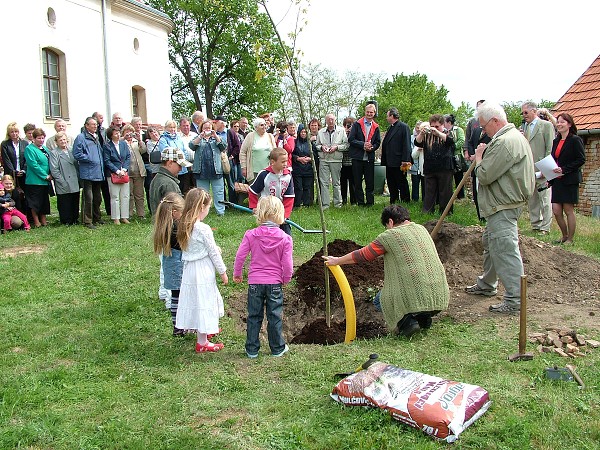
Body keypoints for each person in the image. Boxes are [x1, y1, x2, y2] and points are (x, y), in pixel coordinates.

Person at [324, 204, 449, 337]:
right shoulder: (421, 229)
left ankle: (407, 323)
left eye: (386, 225)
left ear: (390, 221)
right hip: (439, 293)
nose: (387, 229)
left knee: (380, 300)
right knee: (414, 293)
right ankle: (423, 317)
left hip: (416, 292)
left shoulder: (390, 236)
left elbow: (363, 255)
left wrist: (337, 260)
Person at [464, 102, 535, 313]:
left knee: (504, 249)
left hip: (503, 205)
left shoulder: (505, 142)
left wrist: (479, 158)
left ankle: (515, 301)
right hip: (501, 204)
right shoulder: (510, 138)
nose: (483, 131)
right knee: (490, 242)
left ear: (495, 121)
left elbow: (485, 175)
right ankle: (487, 284)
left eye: (484, 127)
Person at [234, 196, 293, 358]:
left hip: (255, 283)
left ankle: (252, 349)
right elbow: (287, 264)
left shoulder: (251, 235)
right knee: (274, 316)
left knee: (254, 315)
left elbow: (240, 256)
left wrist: (237, 274)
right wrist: (286, 278)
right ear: (280, 214)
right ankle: (277, 348)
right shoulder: (285, 238)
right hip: (274, 283)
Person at [176, 188, 228, 353]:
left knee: (197, 301)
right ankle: (202, 342)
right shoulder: (203, 228)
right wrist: (223, 272)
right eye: (207, 208)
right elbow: (212, 252)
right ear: (201, 208)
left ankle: (205, 330)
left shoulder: (184, 224)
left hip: (190, 270)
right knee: (205, 302)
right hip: (203, 269)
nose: (207, 211)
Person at [549, 113, 586, 245]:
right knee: (556, 210)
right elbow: (554, 160)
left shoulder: (575, 140)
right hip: (557, 180)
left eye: (562, 122)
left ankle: (570, 239)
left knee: (568, 210)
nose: (559, 124)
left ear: (569, 124)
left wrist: (564, 169)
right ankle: (564, 235)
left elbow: (581, 159)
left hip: (570, 179)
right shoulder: (556, 141)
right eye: (558, 122)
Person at [153, 192, 186, 336]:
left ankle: (177, 326)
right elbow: (185, 246)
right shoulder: (175, 230)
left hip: (170, 268)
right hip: (178, 268)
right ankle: (179, 327)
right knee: (180, 298)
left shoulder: (164, 226)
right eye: (182, 212)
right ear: (174, 212)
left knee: (175, 296)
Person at [521, 101, 555, 235]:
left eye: (526, 112)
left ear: (534, 111)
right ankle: (535, 224)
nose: (524, 115)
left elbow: (550, 148)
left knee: (545, 199)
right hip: (530, 168)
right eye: (522, 113)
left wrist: (546, 170)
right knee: (533, 198)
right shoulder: (526, 127)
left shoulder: (546, 126)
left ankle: (545, 227)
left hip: (542, 167)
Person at [414, 114, 455, 214]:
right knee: (429, 192)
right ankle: (427, 211)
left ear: (442, 125)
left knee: (445, 192)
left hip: (445, 167)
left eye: (437, 126)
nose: (434, 128)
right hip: (430, 167)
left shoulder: (448, 133)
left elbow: (451, 141)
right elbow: (417, 143)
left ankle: (445, 212)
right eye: (432, 126)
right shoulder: (427, 135)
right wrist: (422, 133)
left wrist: (438, 133)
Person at [249, 148, 295, 236]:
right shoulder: (264, 174)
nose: (285, 164)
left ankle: (287, 248)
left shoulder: (288, 176)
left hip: (280, 210)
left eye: (286, 161)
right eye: (282, 162)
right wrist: (254, 207)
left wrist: (284, 215)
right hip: (267, 210)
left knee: (286, 234)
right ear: (273, 162)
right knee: (267, 234)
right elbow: (252, 191)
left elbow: (289, 197)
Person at [189, 120, 227, 216]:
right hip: (201, 170)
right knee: (202, 193)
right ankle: (202, 211)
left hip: (216, 170)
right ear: (201, 129)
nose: (207, 130)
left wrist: (216, 136)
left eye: (209, 128)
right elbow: (191, 146)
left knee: (219, 192)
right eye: (205, 128)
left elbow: (223, 147)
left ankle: (220, 211)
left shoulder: (217, 138)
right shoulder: (198, 138)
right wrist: (200, 136)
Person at [73, 117, 105, 229]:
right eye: (92, 124)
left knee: (97, 197)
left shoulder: (96, 137)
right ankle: (87, 220)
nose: (95, 126)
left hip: (98, 172)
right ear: (86, 126)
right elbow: (76, 153)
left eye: (96, 124)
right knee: (88, 198)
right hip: (87, 172)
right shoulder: (81, 138)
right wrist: (89, 158)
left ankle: (97, 217)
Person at [348, 103, 381, 206]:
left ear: (374, 113)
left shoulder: (376, 127)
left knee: (369, 182)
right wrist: (363, 145)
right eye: (368, 112)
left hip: (369, 158)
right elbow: (351, 139)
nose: (369, 114)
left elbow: (378, 142)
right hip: (357, 157)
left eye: (371, 112)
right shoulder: (357, 124)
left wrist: (372, 148)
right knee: (357, 182)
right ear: (365, 112)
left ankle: (370, 202)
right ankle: (360, 202)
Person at [316, 114, 349, 208]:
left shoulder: (341, 131)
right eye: (328, 120)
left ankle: (338, 204)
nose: (330, 121)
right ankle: (325, 204)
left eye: (332, 119)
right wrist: (322, 147)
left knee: (336, 182)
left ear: (335, 120)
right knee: (324, 182)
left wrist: (337, 147)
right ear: (325, 121)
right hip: (324, 159)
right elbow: (316, 146)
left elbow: (346, 145)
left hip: (336, 160)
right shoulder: (321, 132)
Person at [381, 108, 412, 204]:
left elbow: (406, 144)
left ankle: (405, 199)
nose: (386, 118)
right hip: (389, 161)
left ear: (392, 116)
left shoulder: (403, 127)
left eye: (387, 116)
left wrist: (405, 160)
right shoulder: (390, 127)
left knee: (401, 181)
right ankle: (393, 199)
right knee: (391, 181)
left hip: (399, 161)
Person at [49, 131, 80, 225]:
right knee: (64, 202)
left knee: (75, 200)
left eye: (64, 139)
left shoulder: (71, 149)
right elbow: (54, 169)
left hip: (74, 179)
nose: (63, 141)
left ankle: (75, 218)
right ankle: (66, 220)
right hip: (63, 180)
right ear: (56, 142)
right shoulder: (54, 153)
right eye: (60, 140)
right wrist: (62, 181)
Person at [24, 128, 52, 227]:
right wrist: (45, 176)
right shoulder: (29, 149)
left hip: (45, 181)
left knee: (44, 201)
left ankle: (44, 220)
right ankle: (36, 221)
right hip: (34, 180)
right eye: (39, 138)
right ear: (34, 138)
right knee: (35, 202)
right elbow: (33, 165)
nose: (41, 140)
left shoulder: (45, 149)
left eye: (42, 138)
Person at [149, 147, 190, 215]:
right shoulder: (169, 184)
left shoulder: (157, 178)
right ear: (170, 163)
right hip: (170, 224)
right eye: (179, 165)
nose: (181, 169)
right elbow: (177, 210)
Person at [103, 126, 131, 225]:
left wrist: (124, 169)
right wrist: (117, 171)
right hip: (112, 174)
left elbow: (128, 157)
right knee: (115, 196)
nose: (118, 135)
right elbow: (107, 160)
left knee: (125, 195)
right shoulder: (107, 146)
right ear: (111, 135)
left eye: (119, 133)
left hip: (124, 173)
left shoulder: (123, 144)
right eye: (116, 133)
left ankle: (124, 217)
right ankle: (116, 218)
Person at [159, 120, 191, 194]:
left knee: (184, 189)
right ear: (166, 128)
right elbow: (166, 152)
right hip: (172, 168)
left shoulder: (178, 138)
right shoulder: (163, 139)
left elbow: (184, 150)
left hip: (183, 168)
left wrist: (184, 160)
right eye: (170, 127)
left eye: (174, 127)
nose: (172, 129)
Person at [239, 117, 276, 182]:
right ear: (256, 127)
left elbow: (275, 152)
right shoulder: (250, 136)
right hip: (254, 172)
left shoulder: (270, 136)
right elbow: (243, 152)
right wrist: (244, 167)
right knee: (255, 191)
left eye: (265, 124)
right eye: (261, 125)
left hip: (268, 171)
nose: (264, 126)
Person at [122, 124, 146, 219]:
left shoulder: (136, 141)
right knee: (129, 194)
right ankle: (129, 213)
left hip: (138, 170)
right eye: (126, 132)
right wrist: (124, 138)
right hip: (127, 171)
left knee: (139, 194)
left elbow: (143, 150)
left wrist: (140, 140)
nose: (129, 134)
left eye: (130, 132)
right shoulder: (121, 142)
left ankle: (141, 214)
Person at [444, 114, 466, 199]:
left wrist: (452, 147)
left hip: (456, 156)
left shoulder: (458, 130)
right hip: (446, 157)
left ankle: (460, 196)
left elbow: (461, 140)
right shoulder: (443, 131)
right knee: (448, 178)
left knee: (458, 177)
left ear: (449, 122)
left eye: (444, 121)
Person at [1, 122, 28, 190]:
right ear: (8, 133)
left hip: (23, 173)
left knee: (24, 194)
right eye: (12, 132)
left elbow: (27, 158)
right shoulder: (5, 144)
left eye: (16, 131)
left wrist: (23, 170)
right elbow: (6, 160)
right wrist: (14, 172)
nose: (14, 134)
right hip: (11, 174)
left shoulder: (24, 143)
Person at [291, 124, 313, 207]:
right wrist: (298, 158)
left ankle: (306, 203)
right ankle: (297, 203)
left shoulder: (310, 143)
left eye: (305, 132)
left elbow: (315, 155)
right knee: (298, 187)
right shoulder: (295, 142)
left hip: (308, 169)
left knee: (307, 187)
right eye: (302, 132)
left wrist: (309, 159)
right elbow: (291, 154)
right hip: (297, 169)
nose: (303, 134)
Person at [410, 121, 424, 202]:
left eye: (420, 128)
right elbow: (410, 150)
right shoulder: (412, 138)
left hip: (423, 164)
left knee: (424, 183)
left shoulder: (426, 137)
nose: (418, 130)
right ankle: (415, 200)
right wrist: (417, 150)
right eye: (417, 128)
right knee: (415, 183)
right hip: (414, 164)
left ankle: (424, 199)